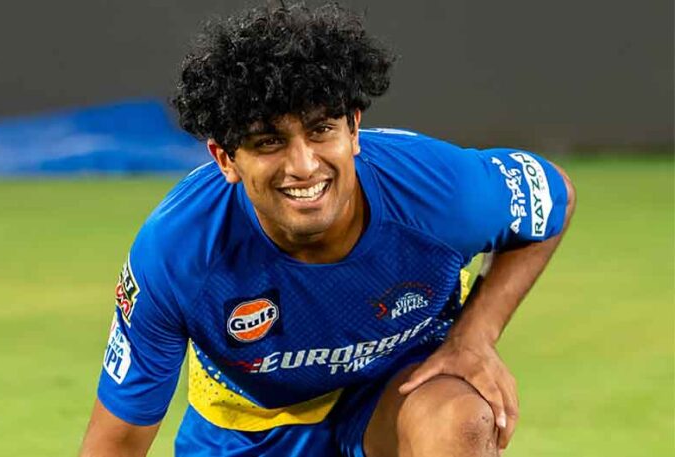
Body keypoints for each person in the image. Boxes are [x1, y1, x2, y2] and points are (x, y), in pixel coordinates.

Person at [79, 3, 575, 456]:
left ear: (353, 129)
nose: (303, 165)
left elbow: (556, 196)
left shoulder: (441, 192)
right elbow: (117, 442)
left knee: (461, 421)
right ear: (225, 158)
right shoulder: (178, 251)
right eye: (268, 141)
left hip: (397, 388)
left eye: (321, 130)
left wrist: (475, 335)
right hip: (251, 424)